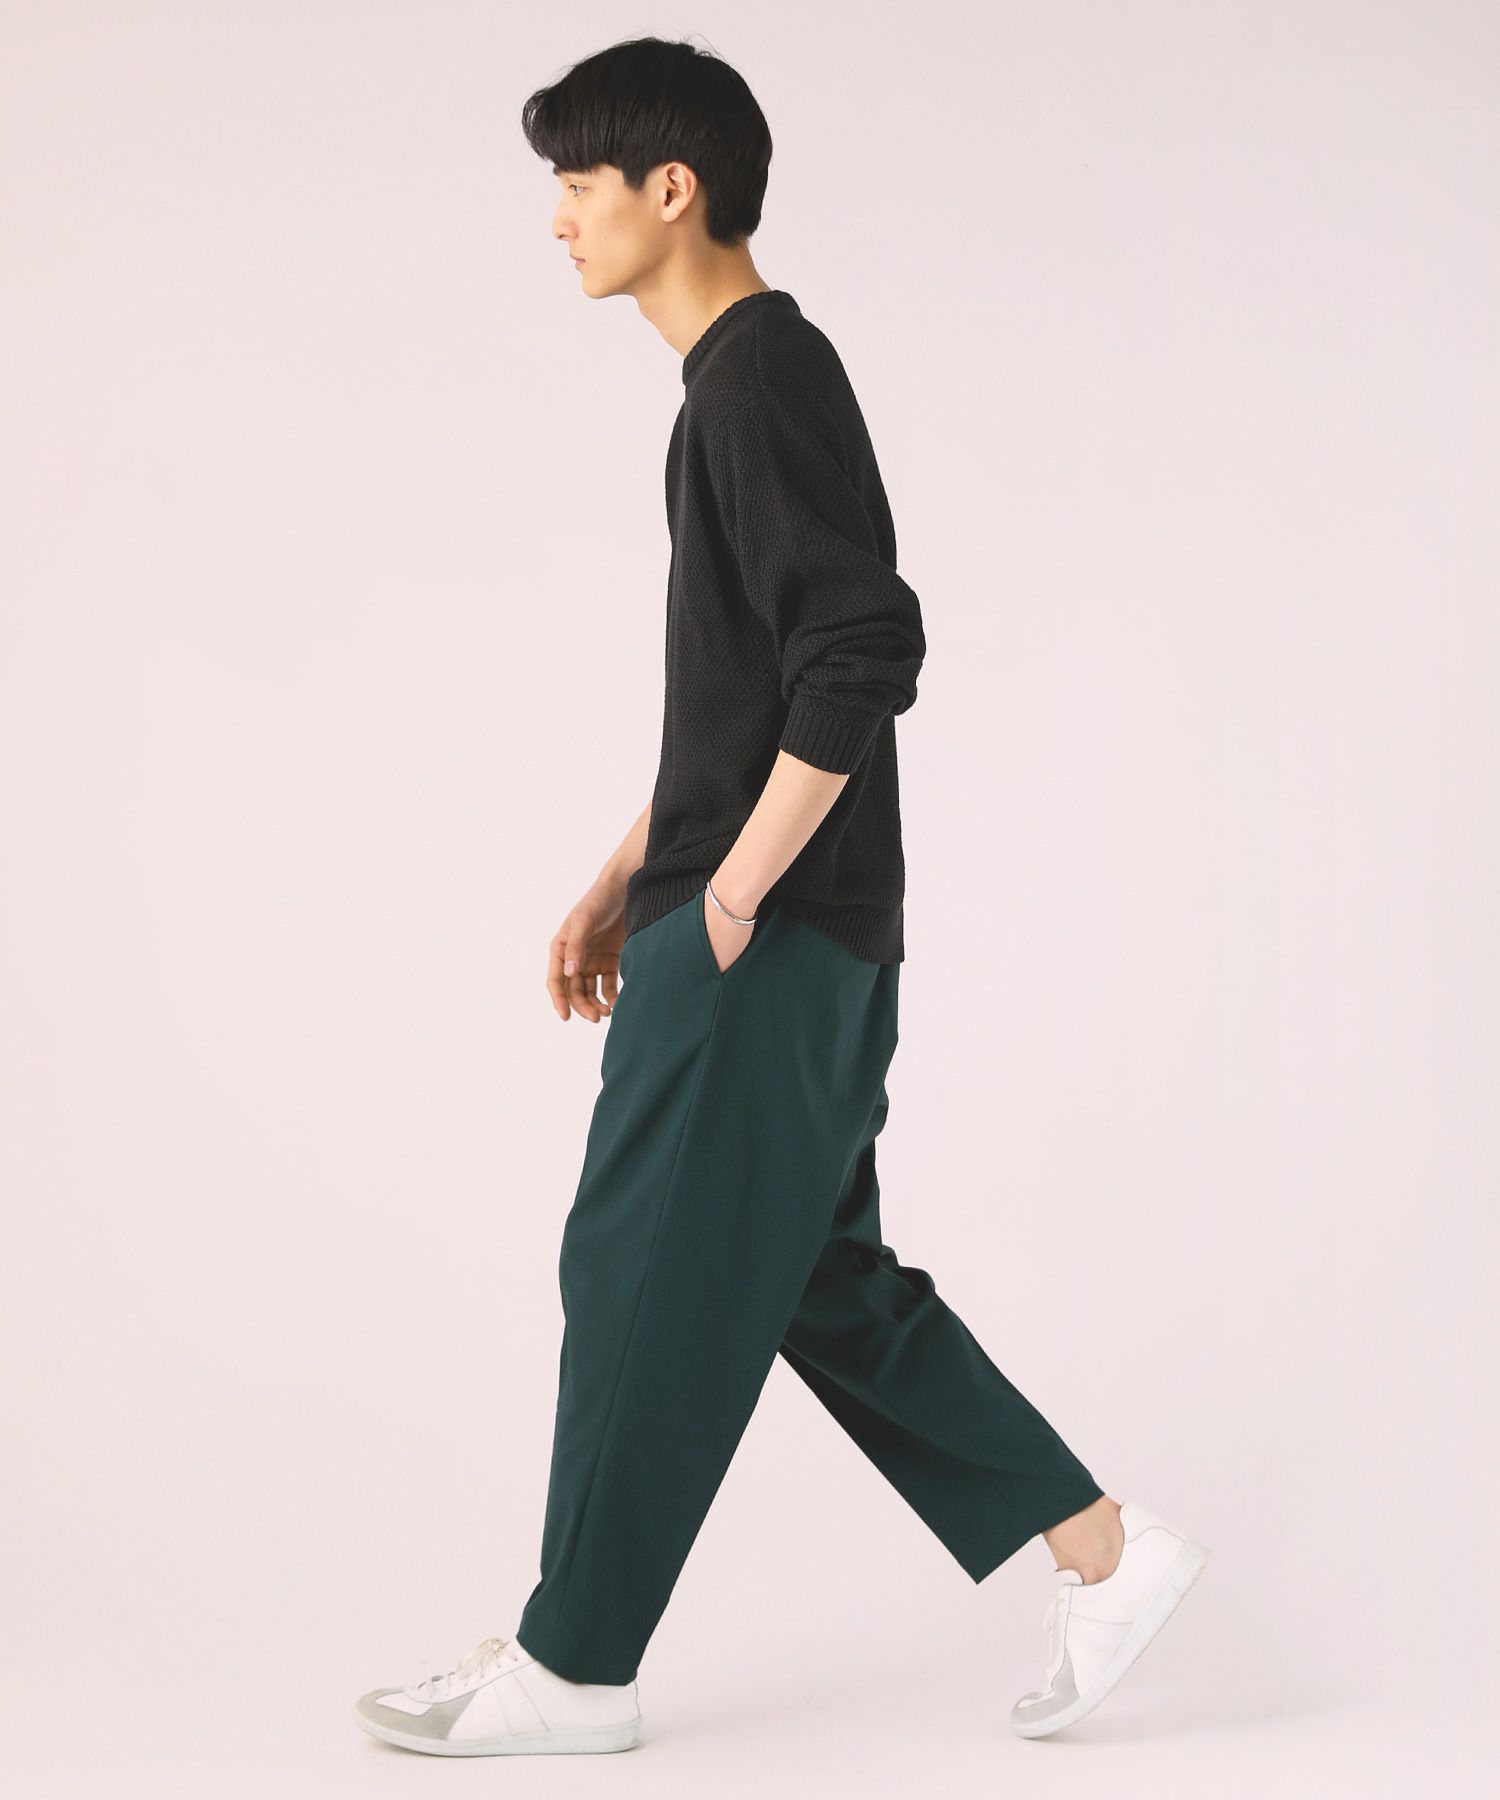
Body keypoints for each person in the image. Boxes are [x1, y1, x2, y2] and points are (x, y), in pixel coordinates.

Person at [353, 34, 1208, 1759]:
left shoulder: (757, 380)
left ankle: (575, 1669)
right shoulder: (736, 387)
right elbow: (751, 698)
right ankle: (1105, 1555)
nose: (558, 221)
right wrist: (628, 873)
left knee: (637, 1267)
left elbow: (861, 650)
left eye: (577, 185)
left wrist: (730, 897)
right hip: (786, 928)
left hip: (770, 939)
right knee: (814, 1276)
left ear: (671, 189)